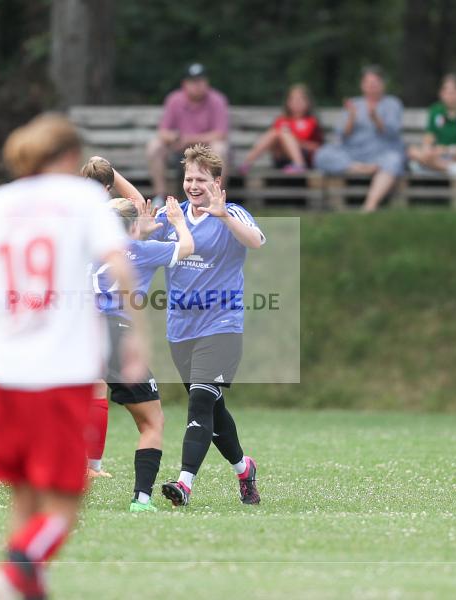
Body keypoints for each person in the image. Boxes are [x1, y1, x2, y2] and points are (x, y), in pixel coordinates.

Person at [0, 113, 148, 600]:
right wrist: (136, 340)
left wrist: (2, 311)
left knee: (25, 498)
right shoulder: (82, 200)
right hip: (61, 372)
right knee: (69, 499)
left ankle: (24, 586)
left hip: (1, 371)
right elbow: (121, 267)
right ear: (69, 157)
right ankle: (17, 569)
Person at [149, 144, 263, 508]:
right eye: (188, 178)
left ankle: (183, 484)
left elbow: (257, 241)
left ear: (217, 182)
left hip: (222, 326)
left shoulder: (232, 213)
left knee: (199, 401)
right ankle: (244, 468)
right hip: (180, 330)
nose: (193, 185)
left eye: (201, 179)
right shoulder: (171, 215)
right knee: (212, 410)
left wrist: (224, 216)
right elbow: (139, 245)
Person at [84, 158, 196, 512]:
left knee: (81, 398)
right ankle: (141, 500)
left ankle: (79, 469)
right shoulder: (143, 251)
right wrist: (178, 223)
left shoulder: (89, 248)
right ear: (133, 227)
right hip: (119, 336)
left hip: (84, 333)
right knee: (152, 422)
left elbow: (131, 210)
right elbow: (187, 248)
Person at [314, 65, 404, 212]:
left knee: (394, 160)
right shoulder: (354, 104)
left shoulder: (392, 103)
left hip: (381, 153)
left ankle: (370, 205)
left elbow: (393, 134)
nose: (372, 87)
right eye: (368, 83)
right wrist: (351, 117)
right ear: (362, 85)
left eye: (375, 83)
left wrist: (376, 119)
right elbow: (342, 135)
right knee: (322, 155)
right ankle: (361, 168)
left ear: (382, 85)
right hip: (353, 154)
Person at [146, 63, 229, 206]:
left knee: (221, 148)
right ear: (185, 83)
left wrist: (188, 139)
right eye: (193, 81)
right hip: (179, 152)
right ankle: (160, 197)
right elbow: (163, 132)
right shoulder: (174, 100)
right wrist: (176, 137)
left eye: (201, 80)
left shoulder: (217, 100)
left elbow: (221, 134)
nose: (198, 85)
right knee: (154, 147)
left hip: (206, 153)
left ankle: (216, 198)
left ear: (207, 82)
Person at [238, 83, 323, 175]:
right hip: (281, 159)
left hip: (305, 158)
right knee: (274, 133)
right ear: (287, 102)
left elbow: (318, 147)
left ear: (308, 102)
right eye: (293, 99)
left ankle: (299, 164)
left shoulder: (312, 122)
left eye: (300, 99)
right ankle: (247, 163)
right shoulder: (281, 120)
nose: (296, 102)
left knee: (283, 133)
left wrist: (295, 142)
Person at [408, 74, 456, 178]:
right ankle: (450, 169)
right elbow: (429, 138)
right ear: (441, 93)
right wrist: (427, 149)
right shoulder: (435, 110)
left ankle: (436, 167)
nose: (450, 96)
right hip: (438, 155)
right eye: (446, 92)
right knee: (412, 151)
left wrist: (447, 150)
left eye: (453, 92)